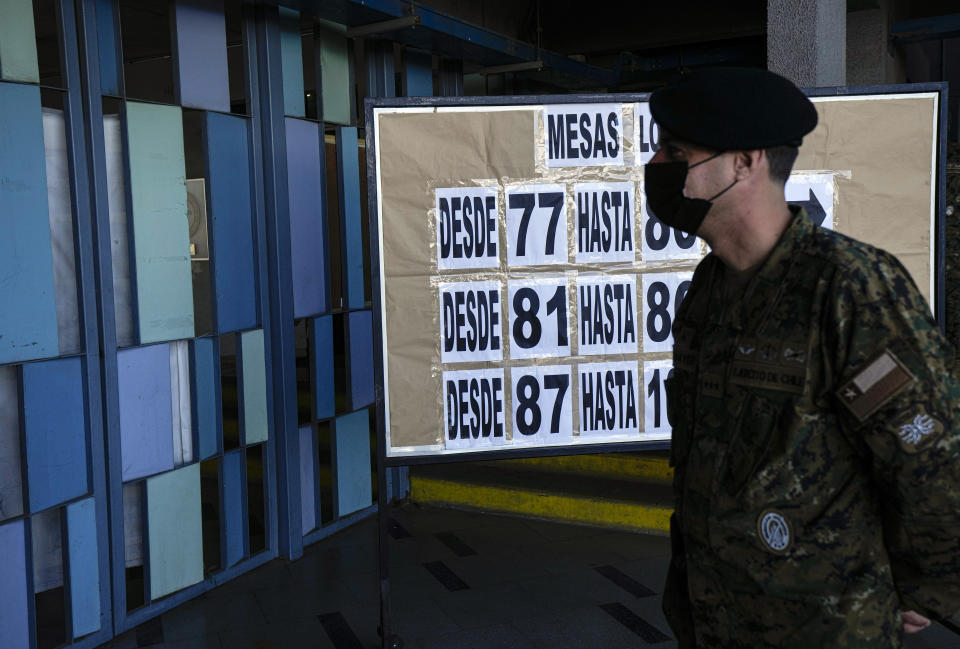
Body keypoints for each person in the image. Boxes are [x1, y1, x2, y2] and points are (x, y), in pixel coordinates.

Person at [643, 66, 960, 648]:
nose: (658, 165)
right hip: (714, 616)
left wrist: (929, 584)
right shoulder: (709, 289)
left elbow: (930, 452)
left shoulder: (849, 287)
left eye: (677, 150)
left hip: (822, 624)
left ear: (745, 161)